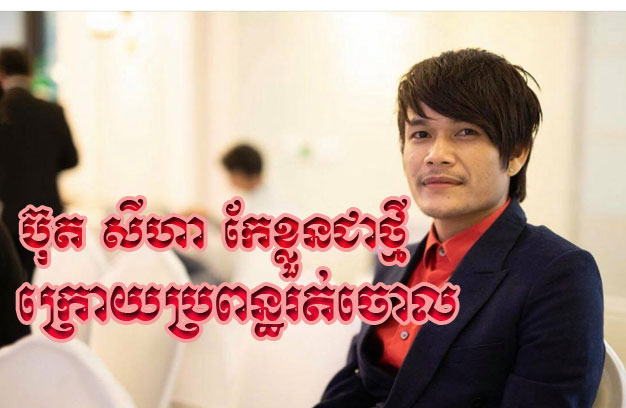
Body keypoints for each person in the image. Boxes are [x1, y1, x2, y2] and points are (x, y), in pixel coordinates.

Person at [316, 49, 604, 408]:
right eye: (421, 134)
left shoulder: (558, 273)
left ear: (516, 154)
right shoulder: (392, 261)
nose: (436, 155)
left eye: (466, 132)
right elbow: (356, 383)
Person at [0, 47, 78, 282]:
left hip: (9, 215)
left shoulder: (3, 112)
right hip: (48, 214)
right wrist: (43, 169)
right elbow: (72, 159)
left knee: (12, 286)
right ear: (30, 73)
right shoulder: (52, 111)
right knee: (44, 282)